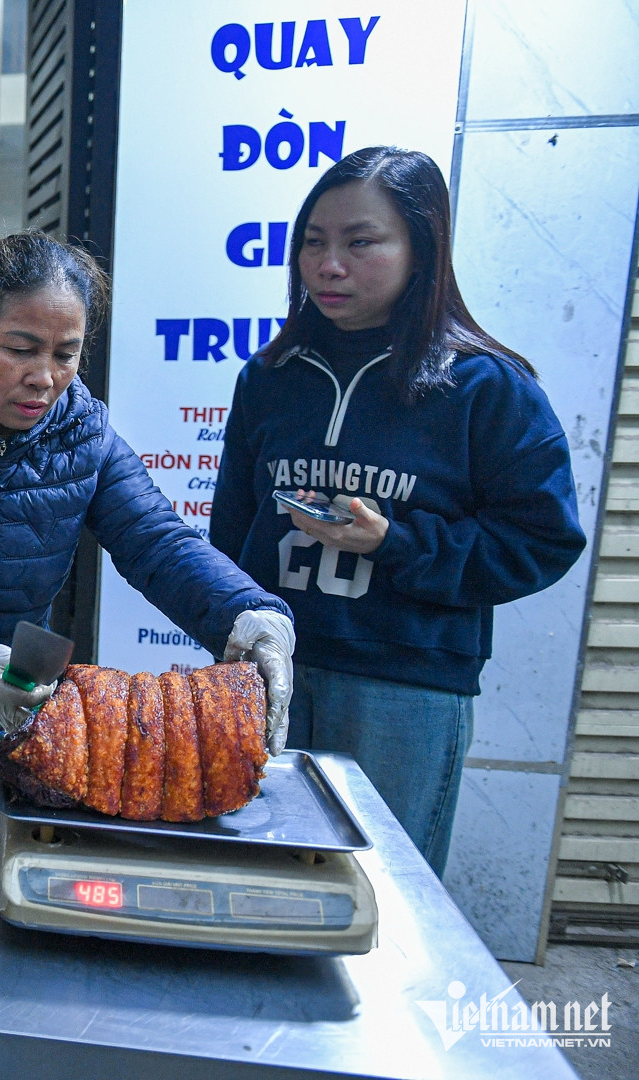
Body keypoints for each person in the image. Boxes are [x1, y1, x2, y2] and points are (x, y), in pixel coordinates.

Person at [208, 147, 586, 874]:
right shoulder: (269, 377)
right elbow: (231, 532)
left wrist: (397, 544)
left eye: (361, 241)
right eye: (313, 241)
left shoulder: (483, 387)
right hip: (267, 671)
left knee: (379, 888)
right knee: (250, 873)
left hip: (403, 687)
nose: (329, 264)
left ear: (423, 247)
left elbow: (542, 539)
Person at [0, 231, 296, 745]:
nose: (44, 378)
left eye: (66, 355)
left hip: (6, 692)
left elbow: (157, 540)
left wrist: (246, 612)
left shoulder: (82, 432)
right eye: (21, 349)